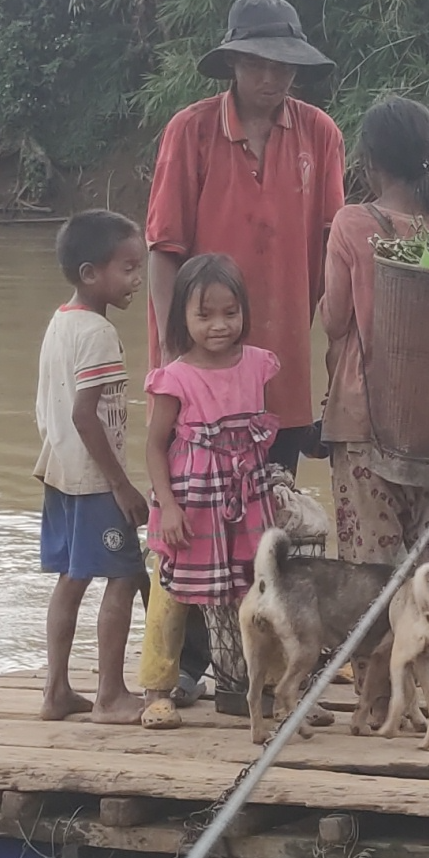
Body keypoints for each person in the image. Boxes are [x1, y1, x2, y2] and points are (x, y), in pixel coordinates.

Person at [142, 0, 344, 714]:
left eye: (286, 65)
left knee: (266, 529)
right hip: (198, 375)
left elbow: (331, 249)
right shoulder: (190, 133)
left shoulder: (319, 135)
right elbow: (165, 250)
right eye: (261, 63)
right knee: (192, 523)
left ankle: (258, 665)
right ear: (233, 62)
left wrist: (333, 350)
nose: (275, 78)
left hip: (277, 371)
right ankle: (188, 665)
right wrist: (169, 358)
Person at [320, 97, 429, 729]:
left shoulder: (352, 224)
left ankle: (374, 705)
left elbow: (335, 319)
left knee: (373, 570)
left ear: (367, 160)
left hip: (367, 419)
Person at [145, 254, 330, 727]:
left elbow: (253, 439)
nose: (219, 325)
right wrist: (167, 505)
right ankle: (157, 688)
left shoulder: (257, 366)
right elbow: (153, 445)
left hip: (245, 501)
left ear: (244, 310)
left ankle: (269, 688)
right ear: (182, 318)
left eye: (230, 313)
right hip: (189, 502)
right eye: (203, 315)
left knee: (256, 589)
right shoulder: (175, 377)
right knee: (173, 592)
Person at [33, 210, 151, 724]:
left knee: (71, 579)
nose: (137, 279)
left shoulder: (61, 323)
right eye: (127, 268)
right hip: (94, 481)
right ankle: (110, 696)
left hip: (59, 471)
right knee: (123, 577)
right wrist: (122, 486)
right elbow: (87, 415)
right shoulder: (99, 333)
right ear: (90, 274)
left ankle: (56, 690)